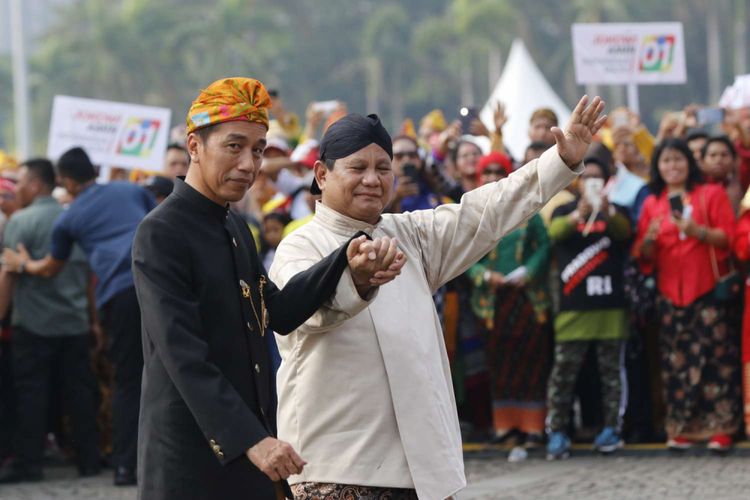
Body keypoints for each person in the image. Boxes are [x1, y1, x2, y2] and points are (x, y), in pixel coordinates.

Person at [270, 96, 606, 499]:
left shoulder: (409, 235)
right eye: (358, 168)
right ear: (321, 175)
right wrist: (354, 280)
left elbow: (487, 210)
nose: (372, 180)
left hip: (421, 467)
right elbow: (298, 313)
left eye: (382, 168)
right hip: (338, 465)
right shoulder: (300, 246)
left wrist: (559, 163)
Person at [131, 77, 405, 500]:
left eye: (258, 150)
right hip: (192, 452)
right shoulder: (161, 232)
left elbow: (276, 312)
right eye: (234, 146)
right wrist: (251, 440)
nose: (249, 164)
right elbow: (183, 355)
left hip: (252, 445)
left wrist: (344, 259)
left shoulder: (235, 226)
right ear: (194, 146)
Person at [1, 147, 156, 485]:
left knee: (127, 382)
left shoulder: (68, 218)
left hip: (118, 296)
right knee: (167, 373)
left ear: (66, 181)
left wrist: (21, 264)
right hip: (160, 284)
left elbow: (49, 267)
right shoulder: (129, 190)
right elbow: (159, 225)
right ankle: (124, 461)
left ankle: (126, 467)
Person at [633, 139, 741, 451]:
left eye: (678, 159)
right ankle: (682, 427)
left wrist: (697, 231)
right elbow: (643, 254)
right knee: (676, 364)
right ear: (658, 167)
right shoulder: (653, 202)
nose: (673, 166)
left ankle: (721, 427)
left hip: (707, 290)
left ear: (689, 163)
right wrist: (650, 241)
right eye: (666, 161)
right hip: (670, 294)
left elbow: (729, 239)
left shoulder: (711, 194)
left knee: (716, 361)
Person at [0, 159, 100, 483]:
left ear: (35, 184)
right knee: (81, 394)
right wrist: (93, 320)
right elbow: (88, 276)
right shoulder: (73, 217)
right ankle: (89, 460)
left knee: (31, 394)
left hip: (33, 325)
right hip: (74, 323)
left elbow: (9, 274)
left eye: (21, 183)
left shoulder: (21, 222)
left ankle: (29, 464)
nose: (16, 190)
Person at [545, 157, 631, 460]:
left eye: (597, 177)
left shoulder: (617, 211)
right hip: (573, 306)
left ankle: (612, 429)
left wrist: (605, 211)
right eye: (586, 177)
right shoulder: (564, 210)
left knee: (611, 372)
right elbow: (554, 233)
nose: (591, 181)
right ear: (577, 182)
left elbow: (625, 233)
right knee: (564, 373)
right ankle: (556, 431)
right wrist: (577, 216)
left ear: (606, 182)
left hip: (610, 306)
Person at [467, 152, 551, 458]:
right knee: (499, 367)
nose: (491, 177)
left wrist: (528, 271)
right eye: (485, 172)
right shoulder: (472, 214)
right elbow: (462, 256)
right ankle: (505, 428)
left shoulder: (528, 209)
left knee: (530, 365)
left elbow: (544, 246)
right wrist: (484, 275)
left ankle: (532, 428)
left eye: (497, 171)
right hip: (490, 303)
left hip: (526, 300)